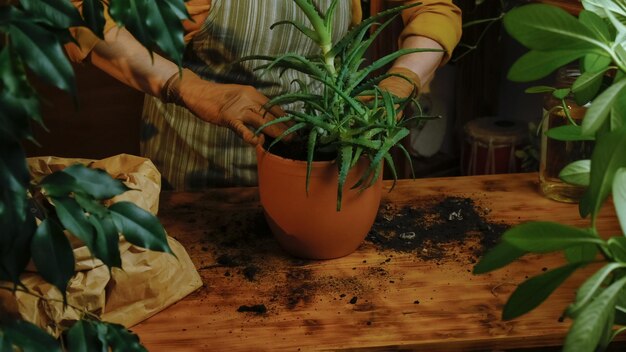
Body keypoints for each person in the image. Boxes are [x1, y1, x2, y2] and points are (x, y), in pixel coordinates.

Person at [66, 0, 462, 189]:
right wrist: (187, 85)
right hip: (201, 185)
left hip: (321, 172)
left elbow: (433, 9)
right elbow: (78, 15)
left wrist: (402, 81)